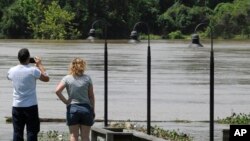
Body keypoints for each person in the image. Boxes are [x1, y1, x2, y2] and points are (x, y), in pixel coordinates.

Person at [7, 48, 50, 141]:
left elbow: (8, 76)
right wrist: (40, 65)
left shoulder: (12, 70)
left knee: (17, 132)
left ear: (18, 58)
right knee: (32, 132)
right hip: (31, 106)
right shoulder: (33, 70)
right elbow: (46, 78)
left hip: (17, 105)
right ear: (28, 58)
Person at [55, 57, 95, 141]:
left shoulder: (67, 78)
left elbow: (57, 91)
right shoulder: (87, 78)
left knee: (73, 136)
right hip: (86, 109)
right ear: (83, 66)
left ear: (72, 66)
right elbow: (91, 96)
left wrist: (66, 101)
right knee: (85, 136)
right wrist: (93, 110)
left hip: (73, 109)